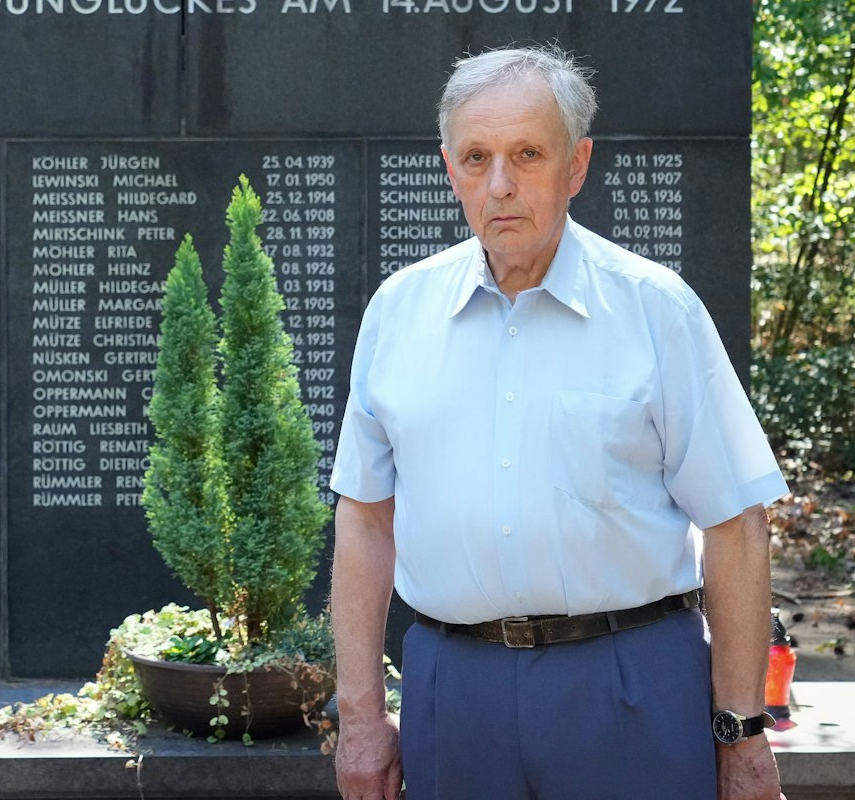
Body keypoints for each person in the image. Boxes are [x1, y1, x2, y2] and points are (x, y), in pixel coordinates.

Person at [328, 45, 788, 800]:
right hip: (454, 691)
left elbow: (737, 525)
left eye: (527, 154)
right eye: (476, 157)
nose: (499, 184)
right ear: (450, 168)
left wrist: (741, 732)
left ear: (576, 165)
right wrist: (362, 716)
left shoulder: (656, 310)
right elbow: (365, 521)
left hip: (629, 684)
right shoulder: (397, 313)